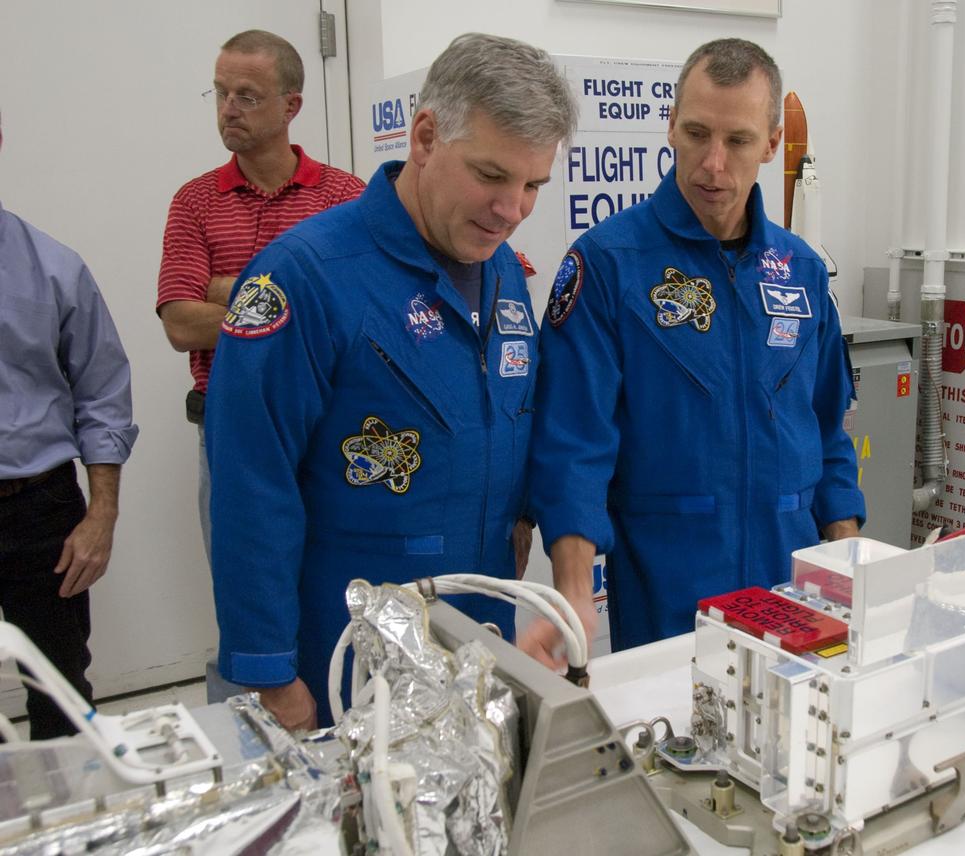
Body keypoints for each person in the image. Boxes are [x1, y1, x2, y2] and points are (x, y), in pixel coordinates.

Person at [204, 33, 576, 731]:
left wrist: (528, 515)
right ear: (426, 136)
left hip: (478, 629)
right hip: (347, 648)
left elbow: (512, 412)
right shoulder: (303, 278)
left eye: (533, 185)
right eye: (492, 176)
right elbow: (251, 485)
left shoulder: (500, 271)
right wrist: (268, 670)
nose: (513, 208)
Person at [524, 39, 865, 662]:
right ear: (671, 128)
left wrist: (845, 558)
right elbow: (573, 443)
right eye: (696, 133)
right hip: (668, 589)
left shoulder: (801, 270)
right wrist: (573, 588)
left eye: (736, 141)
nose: (713, 164)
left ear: (770, 143)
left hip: (791, 583)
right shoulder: (608, 264)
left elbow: (828, 430)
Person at [156, 30, 364, 562]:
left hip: (329, 426)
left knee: (334, 587)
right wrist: (301, 299)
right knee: (244, 586)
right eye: (220, 92)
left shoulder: (345, 197)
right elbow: (180, 323)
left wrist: (226, 289)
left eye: (246, 96)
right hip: (229, 423)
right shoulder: (195, 200)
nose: (228, 108)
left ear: (291, 105)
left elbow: (358, 313)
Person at [0, 115, 139, 738]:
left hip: (37, 511)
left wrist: (101, 513)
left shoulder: (53, 267)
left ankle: (68, 830)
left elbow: (103, 392)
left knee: (58, 691)